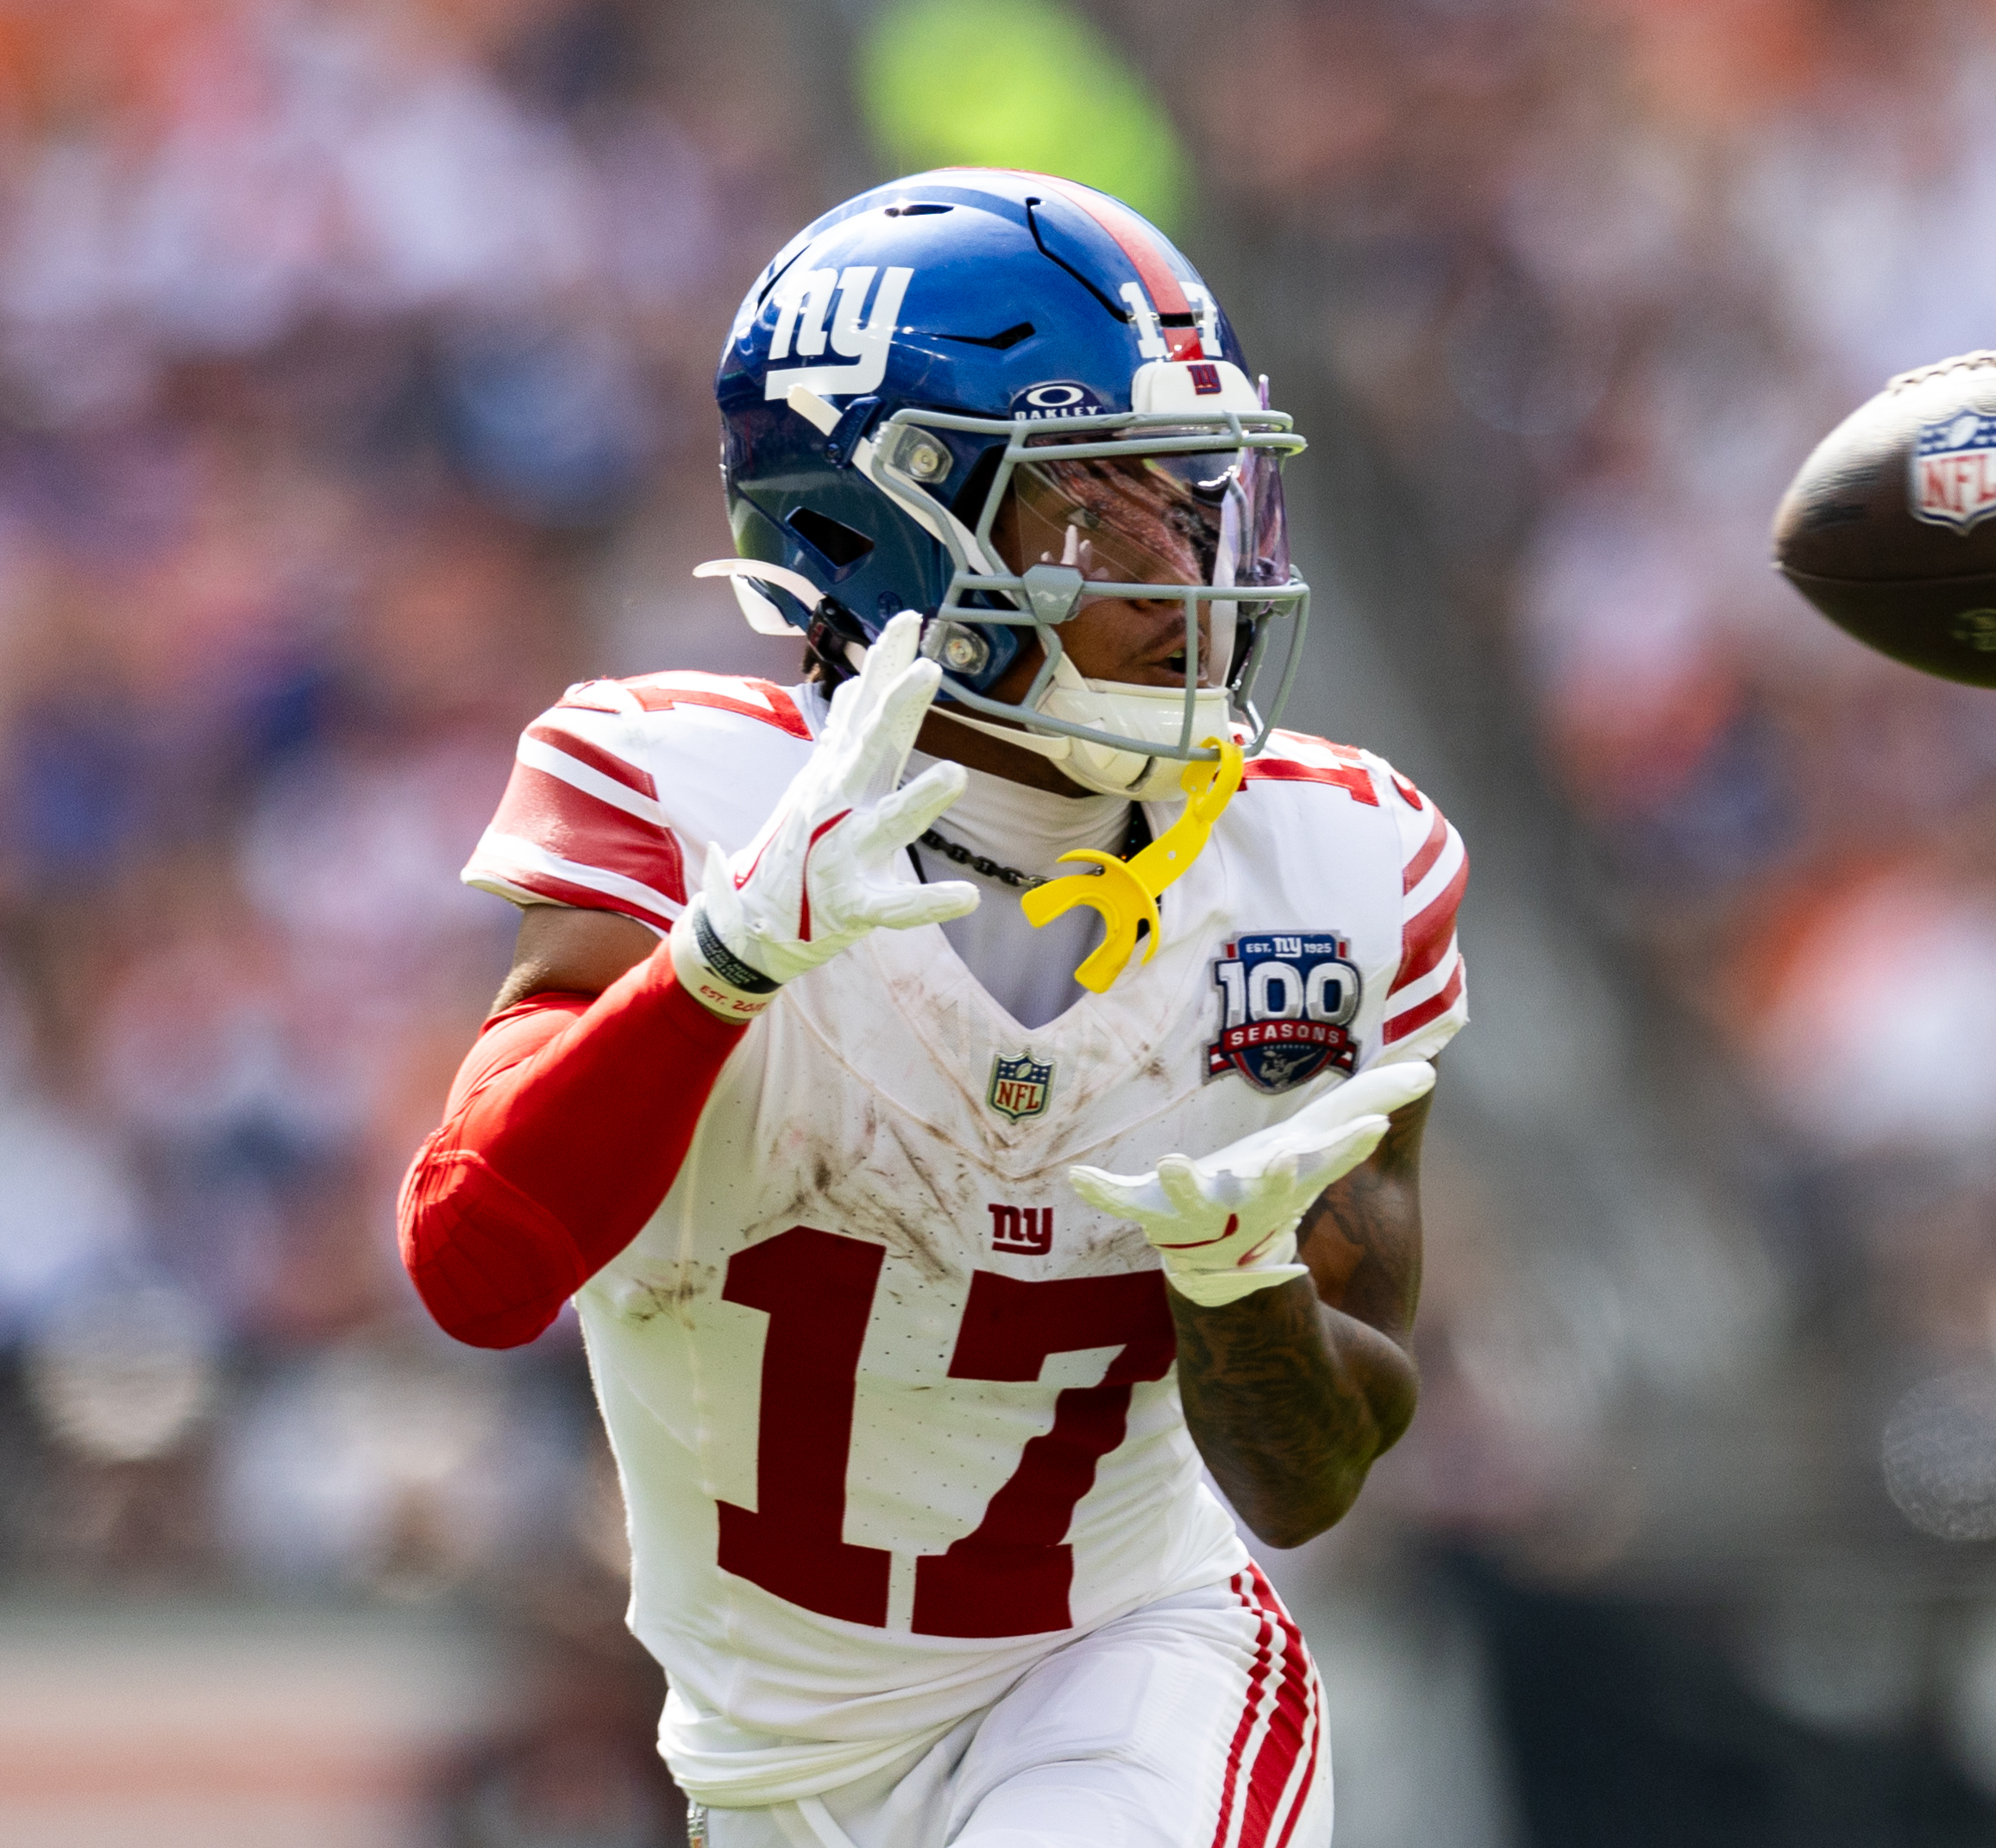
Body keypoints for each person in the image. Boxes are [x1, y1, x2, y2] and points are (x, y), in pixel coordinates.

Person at [394, 168, 1469, 1848]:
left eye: (1199, 505)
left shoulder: (1334, 864)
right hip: (765, 1773)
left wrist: (1238, 1283)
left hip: (1129, 1668)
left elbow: (1309, 1476)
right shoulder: (681, 795)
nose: (1187, 574)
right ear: (877, 528)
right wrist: (719, 967)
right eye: (1100, 516)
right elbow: (478, 1267)